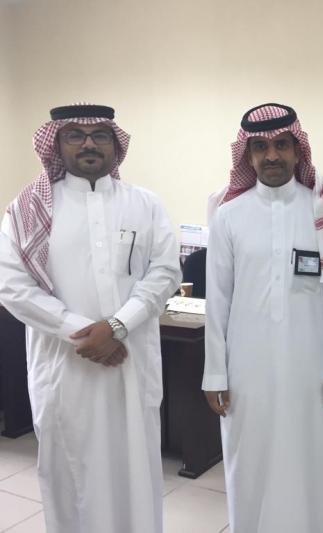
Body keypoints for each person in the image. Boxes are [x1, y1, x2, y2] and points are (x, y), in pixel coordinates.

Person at [0, 103, 181, 533]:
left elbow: (166, 272)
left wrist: (117, 327)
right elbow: (12, 285)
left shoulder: (145, 204)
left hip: (131, 366)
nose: (88, 144)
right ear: (56, 144)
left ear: (115, 144)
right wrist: (81, 333)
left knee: (135, 475)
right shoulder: (28, 210)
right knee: (72, 480)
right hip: (66, 371)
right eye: (74, 135)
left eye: (100, 135)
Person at [202, 103, 323, 533]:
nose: (272, 156)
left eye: (282, 145)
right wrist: (215, 374)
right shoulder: (228, 215)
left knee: (308, 462)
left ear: (297, 150)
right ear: (247, 155)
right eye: (261, 147)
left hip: (310, 367)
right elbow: (218, 301)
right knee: (249, 461)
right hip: (245, 369)